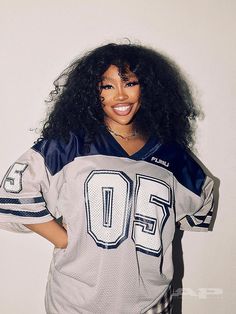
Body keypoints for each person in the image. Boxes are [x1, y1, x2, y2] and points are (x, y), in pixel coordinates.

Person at [0, 42, 214, 314]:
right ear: (92, 91)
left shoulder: (173, 155)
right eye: (108, 86)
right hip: (75, 300)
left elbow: (198, 210)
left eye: (130, 83)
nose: (121, 96)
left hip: (150, 302)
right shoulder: (70, 145)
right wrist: (65, 240)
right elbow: (12, 194)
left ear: (147, 87)